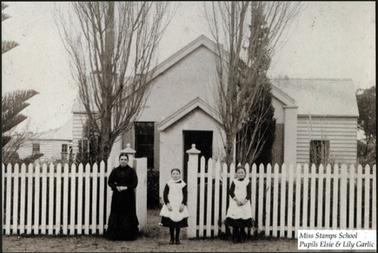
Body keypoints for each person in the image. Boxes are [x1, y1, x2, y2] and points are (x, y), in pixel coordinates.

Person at [105, 153, 139, 241]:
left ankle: (128, 236)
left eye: (125, 159)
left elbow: (135, 183)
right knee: (116, 213)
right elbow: (110, 182)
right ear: (119, 160)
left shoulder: (131, 171)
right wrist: (116, 187)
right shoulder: (115, 171)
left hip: (128, 196)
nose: (123, 161)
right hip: (117, 196)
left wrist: (126, 187)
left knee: (127, 214)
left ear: (127, 161)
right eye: (122, 159)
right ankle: (115, 236)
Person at [224, 165, 253, 243]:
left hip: (244, 203)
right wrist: (236, 200)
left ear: (245, 174)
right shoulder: (234, 181)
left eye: (242, 172)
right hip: (235, 203)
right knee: (235, 219)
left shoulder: (247, 182)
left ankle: (242, 236)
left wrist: (244, 201)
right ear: (236, 174)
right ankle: (235, 237)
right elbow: (231, 192)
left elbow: (249, 193)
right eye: (239, 173)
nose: (240, 174)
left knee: (243, 219)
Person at [159, 168, 189, 244]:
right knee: (171, 223)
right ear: (171, 175)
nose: (175, 175)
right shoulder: (168, 183)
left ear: (179, 174)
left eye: (177, 174)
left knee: (178, 222)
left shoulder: (183, 184)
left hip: (179, 204)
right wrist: (167, 203)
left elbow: (185, 195)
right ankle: (171, 239)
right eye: (173, 174)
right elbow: (165, 194)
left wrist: (183, 204)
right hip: (171, 204)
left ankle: (177, 239)